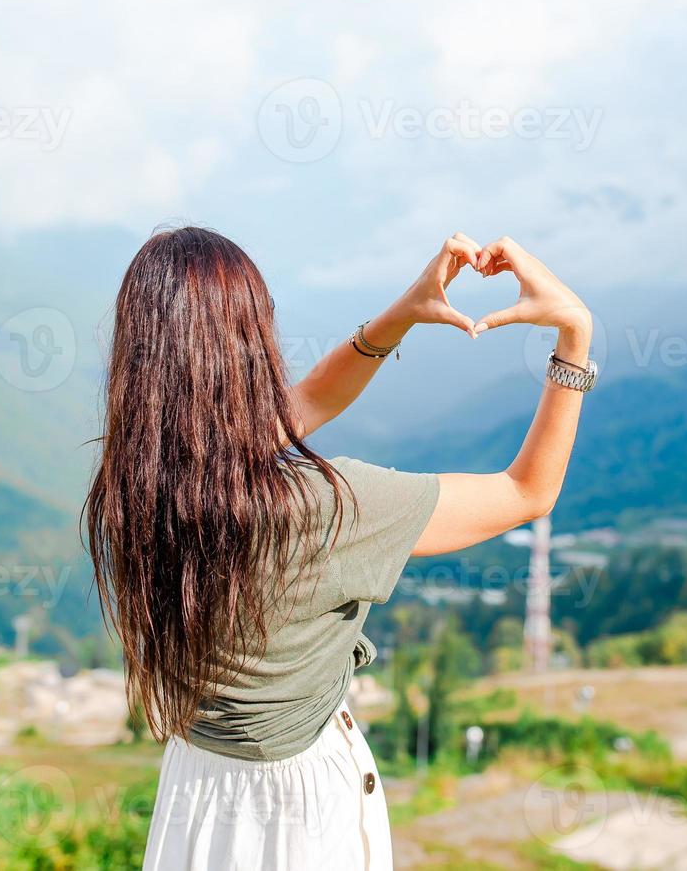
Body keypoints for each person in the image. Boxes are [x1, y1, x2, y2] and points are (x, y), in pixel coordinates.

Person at [82, 227, 596, 870]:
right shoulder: (325, 508)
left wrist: (405, 312)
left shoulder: (145, 479)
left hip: (196, 796)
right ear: (249, 345)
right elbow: (526, 493)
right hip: (299, 821)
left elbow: (314, 398)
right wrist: (574, 337)